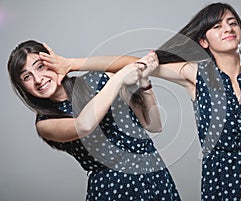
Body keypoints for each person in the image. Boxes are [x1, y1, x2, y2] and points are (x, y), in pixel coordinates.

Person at [51, 2, 241, 200]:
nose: (228, 29)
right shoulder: (197, 74)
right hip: (223, 179)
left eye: (233, 23)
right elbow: (130, 63)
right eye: (218, 26)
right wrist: (72, 64)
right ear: (203, 42)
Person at [7, 40, 181, 201]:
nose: (38, 79)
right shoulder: (45, 123)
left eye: (41, 67)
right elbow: (84, 125)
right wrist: (119, 77)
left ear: (54, 62)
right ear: (23, 87)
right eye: (27, 77)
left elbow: (154, 125)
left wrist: (71, 64)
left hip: (156, 175)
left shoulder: (97, 80)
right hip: (114, 189)